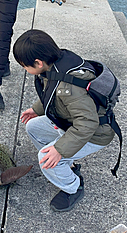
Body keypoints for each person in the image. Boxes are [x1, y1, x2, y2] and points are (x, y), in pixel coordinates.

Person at [13, 30, 115, 212]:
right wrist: (37, 109)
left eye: (24, 66)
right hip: (73, 124)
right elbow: (52, 92)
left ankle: (73, 187)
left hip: (95, 133)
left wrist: (59, 150)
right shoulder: (56, 63)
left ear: (38, 63)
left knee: (45, 158)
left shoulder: (70, 85)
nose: (25, 70)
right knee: (33, 126)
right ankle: (68, 165)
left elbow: (88, 123)